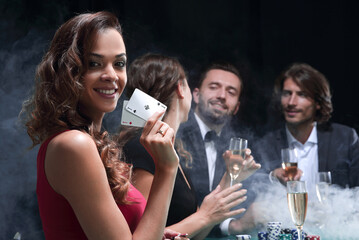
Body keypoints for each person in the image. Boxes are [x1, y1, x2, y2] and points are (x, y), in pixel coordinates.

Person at [21, 11, 187, 240]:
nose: (111, 75)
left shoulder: (90, 142)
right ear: (69, 71)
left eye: (119, 64)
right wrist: (167, 169)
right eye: (94, 64)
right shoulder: (74, 144)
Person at [119, 53, 258, 240]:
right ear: (181, 89)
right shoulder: (141, 148)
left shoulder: (173, 149)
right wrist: (205, 215)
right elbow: (144, 236)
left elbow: (197, 234)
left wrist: (230, 178)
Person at [177, 62, 261, 236]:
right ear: (196, 95)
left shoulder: (240, 147)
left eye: (231, 92)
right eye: (214, 87)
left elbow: (241, 203)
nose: (222, 96)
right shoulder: (175, 134)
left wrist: (233, 224)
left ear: (236, 107)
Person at [255, 63, 359, 193]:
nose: (291, 102)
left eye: (302, 94)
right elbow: (252, 186)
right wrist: (273, 176)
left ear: (318, 103)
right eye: (287, 93)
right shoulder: (266, 144)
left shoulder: (345, 138)